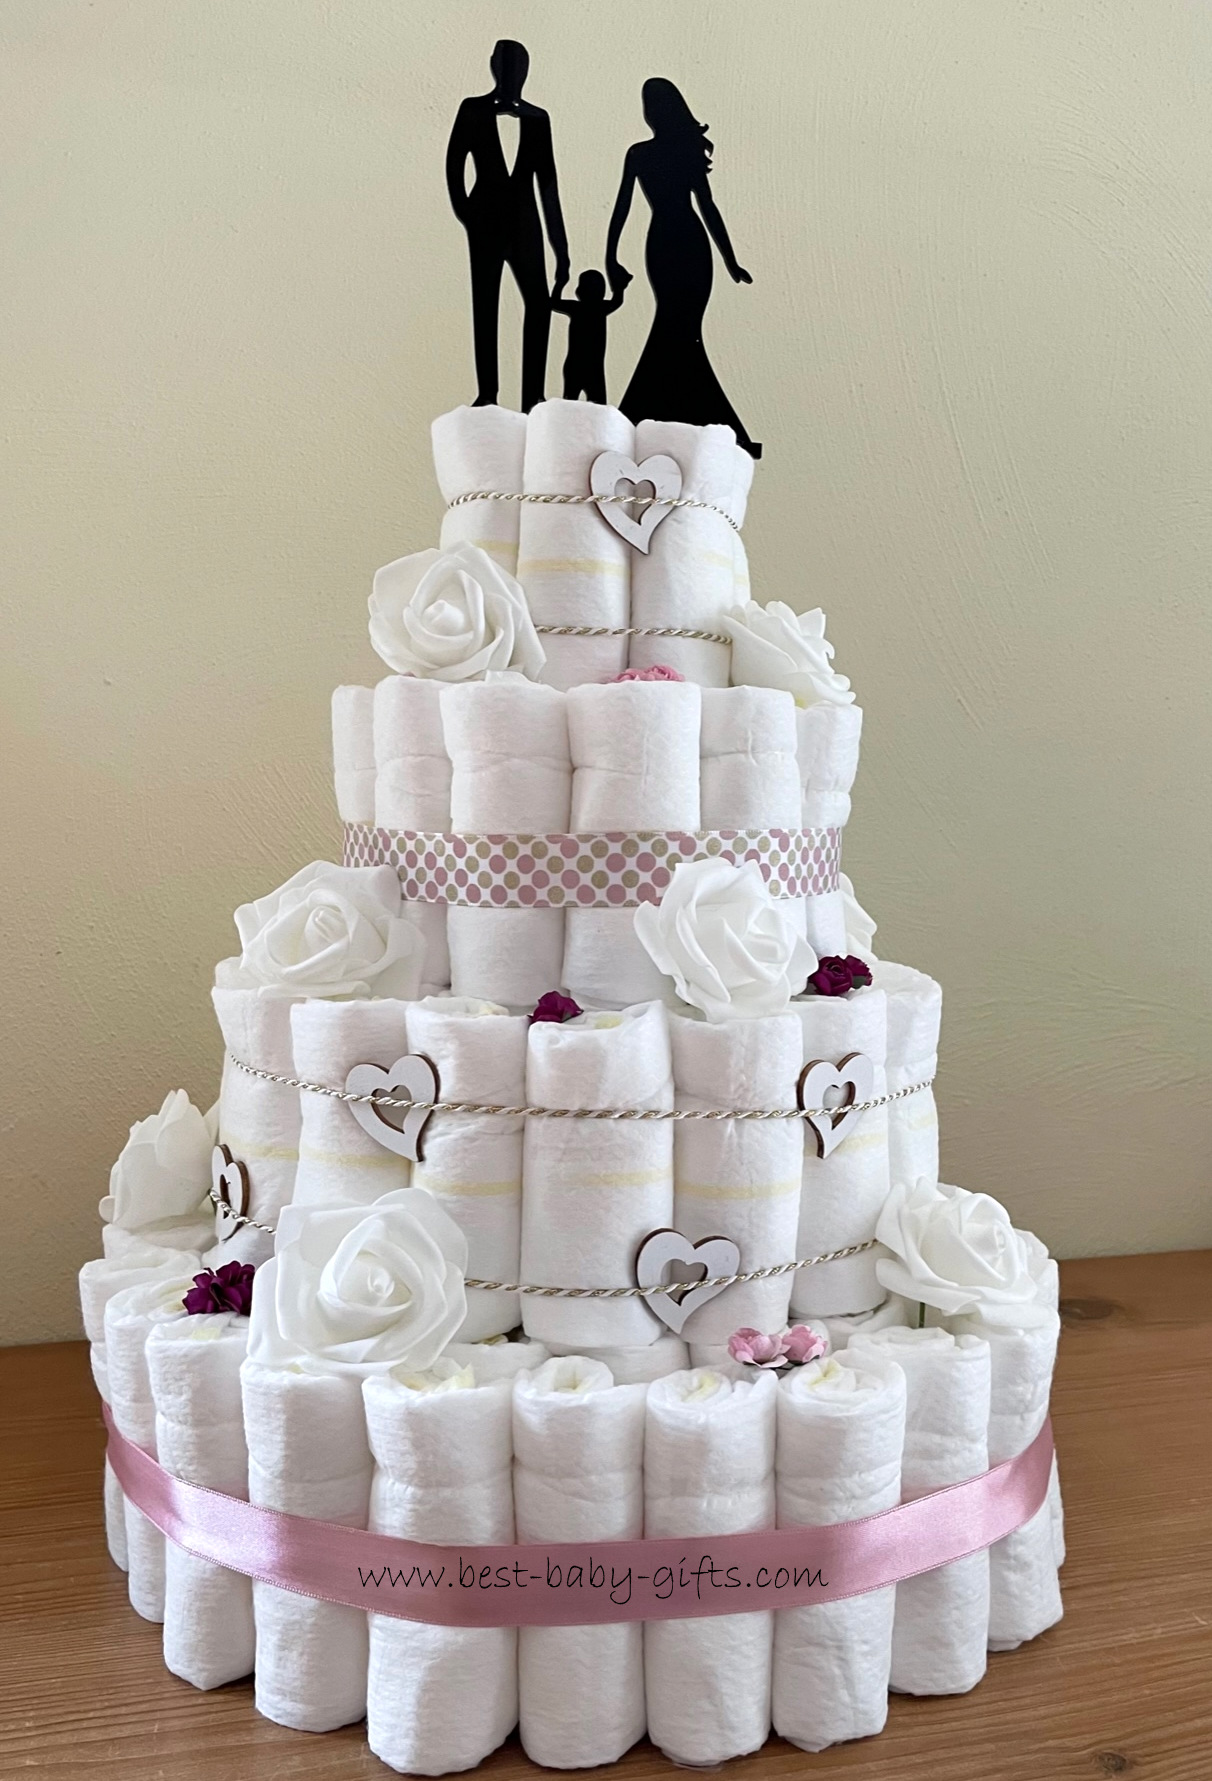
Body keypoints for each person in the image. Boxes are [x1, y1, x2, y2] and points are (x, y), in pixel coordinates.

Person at [606, 78, 760, 456]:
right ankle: (676, 419)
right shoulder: (640, 153)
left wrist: (730, 259)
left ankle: (655, 418)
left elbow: (708, 206)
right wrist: (610, 256)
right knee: (672, 324)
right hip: (669, 243)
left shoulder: (671, 151)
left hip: (687, 243)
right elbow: (622, 206)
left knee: (685, 328)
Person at [446, 40, 570, 410]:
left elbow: (548, 186)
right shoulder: (472, 110)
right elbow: (455, 163)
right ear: (493, 67)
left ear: (526, 73)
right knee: (485, 304)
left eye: (519, 67)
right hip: (483, 222)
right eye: (506, 65)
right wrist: (465, 211)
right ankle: (488, 393)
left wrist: (561, 250)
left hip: (526, 226)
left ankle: (533, 394)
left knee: (539, 303)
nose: (513, 73)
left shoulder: (537, 119)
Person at [551, 267, 630, 403]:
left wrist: (560, 283)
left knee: (571, 401)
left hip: (576, 365)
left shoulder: (577, 308)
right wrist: (620, 286)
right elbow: (617, 300)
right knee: (596, 403)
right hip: (592, 367)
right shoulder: (602, 308)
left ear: (579, 290)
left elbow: (554, 302)